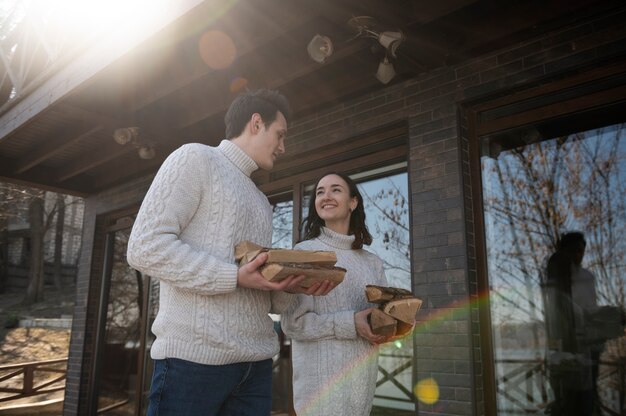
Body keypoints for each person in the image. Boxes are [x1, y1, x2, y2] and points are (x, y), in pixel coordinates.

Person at [126, 89, 333, 416]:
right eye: (280, 135)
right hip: (193, 365)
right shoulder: (195, 158)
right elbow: (144, 247)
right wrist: (232, 276)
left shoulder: (262, 203)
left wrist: (289, 287)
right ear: (255, 123)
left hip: (256, 366)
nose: (283, 146)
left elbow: (259, 292)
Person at [281, 172, 389, 416]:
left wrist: (395, 322)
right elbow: (293, 325)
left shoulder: (372, 262)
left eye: (335, 190)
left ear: (353, 202)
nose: (326, 196)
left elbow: (380, 316)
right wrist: (351, 323)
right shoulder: (304, 253)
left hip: (362, 384)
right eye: (320, 192)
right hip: (319, 390)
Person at [543, 232, 598, 416]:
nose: (578, 256)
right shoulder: (557, 274)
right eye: (574, 251)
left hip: (587, 346)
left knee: (584, 396)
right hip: (566, 346)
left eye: (581, 251)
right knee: (571, 397)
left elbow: (591, 309)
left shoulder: (587, 277)